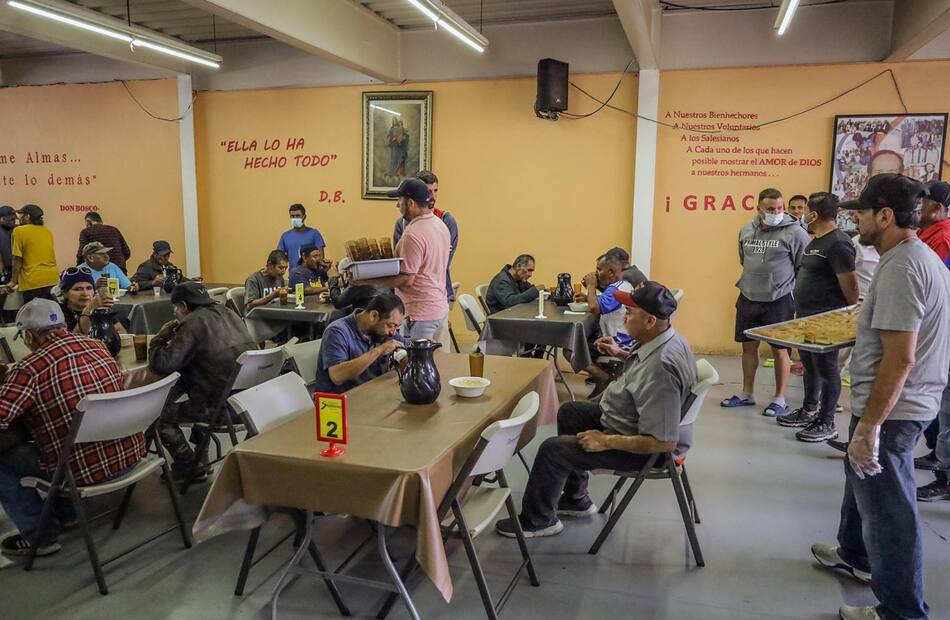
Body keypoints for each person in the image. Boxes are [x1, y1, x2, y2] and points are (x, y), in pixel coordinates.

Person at [811, 174, 950, 620]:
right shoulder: (911, 258)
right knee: (864, 485)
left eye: (862, 214)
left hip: (893, 410)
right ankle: (855, 553)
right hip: (896, 403)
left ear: (886, 215)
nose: (856, 222)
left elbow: (900, 358)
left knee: (890, 511)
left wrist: (870, 425)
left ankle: (902, 611)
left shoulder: (904, 268)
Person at [495, 283, 695, 538]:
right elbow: (644, 372)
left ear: (650, 321)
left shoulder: (662, 369)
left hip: (646, 451)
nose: (624, 317)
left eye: (630, 313)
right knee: (570, 412)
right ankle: (576, 499)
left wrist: (605, 441)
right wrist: (620, 353)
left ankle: (538, 521)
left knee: (553, 450)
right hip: (629, 421)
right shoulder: (665, 340)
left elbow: (663, 443)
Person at [0, 298, 144, 556]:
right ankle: (67, 512)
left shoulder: (29, 370)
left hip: (82, 471)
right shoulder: (99, 346)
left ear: (30, 336)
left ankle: (39, 536)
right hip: (130, 455)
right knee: (57, 432)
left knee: (6, 459)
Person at [147, 282, 256, 480]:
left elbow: (162, 364)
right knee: (197, 389)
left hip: (222, 411)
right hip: (251, 403)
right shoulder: (229, 313)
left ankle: (188, 465)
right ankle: (200, 455)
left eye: (175, 309)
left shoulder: (192, 322)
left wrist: (158, 339)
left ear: (183, 306)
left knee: (157, 414)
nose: (175, 314)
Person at [775, 193, 857, 442]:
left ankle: (826, 421)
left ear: (815, 214)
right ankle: (809, 410)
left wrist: (836, 317)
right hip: (807, 317)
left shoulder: (838, 244)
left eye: (807, 209)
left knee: (827, 369)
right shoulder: (816, 240)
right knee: (810, 365)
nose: (802, 214)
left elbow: (851, 290)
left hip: (826, 320)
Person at [722, 188, 809, 417]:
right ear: (758, 208)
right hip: (749, 296)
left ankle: (779, 399)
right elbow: (744, 259)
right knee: (748, 347)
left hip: (779, 299)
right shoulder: (746, 230)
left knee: (781, 351)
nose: (776, 212)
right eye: (771, 209)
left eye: (779, 208)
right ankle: (747, 393)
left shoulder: (796, 233)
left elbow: (803, 267)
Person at [357, 178, 451, 344]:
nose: (397, 204)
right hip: (439, 307)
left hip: (421, 313)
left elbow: (407, 279)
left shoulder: (413, 234)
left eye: (399, 200)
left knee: (419, 365)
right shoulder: (440, 225)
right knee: (440, 364)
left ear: (411, 202)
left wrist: (365, 281)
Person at [313, 293, 408, 394]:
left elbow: (410, 349)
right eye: (391, 325)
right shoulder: (337, 331)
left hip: (370, 394)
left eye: (396, 327)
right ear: (374, 316)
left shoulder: (385, 332)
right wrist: (378, 351)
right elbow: (337, 376)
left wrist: (409, 356)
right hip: (338, 402)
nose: (393, 332)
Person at [570, 252, 635, 396]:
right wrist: (588, 297)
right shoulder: (624, 285)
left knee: (571, 348)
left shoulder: (615, 289)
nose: (596, 273)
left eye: (599, 269)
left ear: (611, 272)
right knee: (584, 342)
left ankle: (606, 378)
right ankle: (604, 379)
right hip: (626, 337)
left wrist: (591, 286)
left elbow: (594, 308)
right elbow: (607, 303)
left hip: (617, 342)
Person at [393, 170, 459, 302]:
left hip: (434, 293)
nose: (433, 196)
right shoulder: (402, 223)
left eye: (435, 191)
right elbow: (398, 263)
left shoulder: (445, 220)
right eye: (428, 192)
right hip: (406, 296)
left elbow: (442, 263)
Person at [2, 205, 59, 302]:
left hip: (33, 281)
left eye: (21, 215)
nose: (18, 218)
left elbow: (17, 259)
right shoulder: (47, 231)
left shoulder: (19, 230)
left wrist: (13, 281)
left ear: (27, 217)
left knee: (33, 314)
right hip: (53, 280)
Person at [56, 267, 125, 336]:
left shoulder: (100, 310)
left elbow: (122, 333)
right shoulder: (59, 313)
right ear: (65, 293)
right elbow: (71, 342)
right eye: (78, 289)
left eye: (89, 288)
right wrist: (89, 309)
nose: (85, 293)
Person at [918, 179, 950, 263]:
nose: (914, 207)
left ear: (936, 208)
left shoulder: (942, 239)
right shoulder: (924, 229)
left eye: (920, 202)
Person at [0, 205, 18, 320]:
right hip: (4, 270)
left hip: (17, 269)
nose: (12, 221)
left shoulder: (19, 229)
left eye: (13, 219)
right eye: (8, 219)